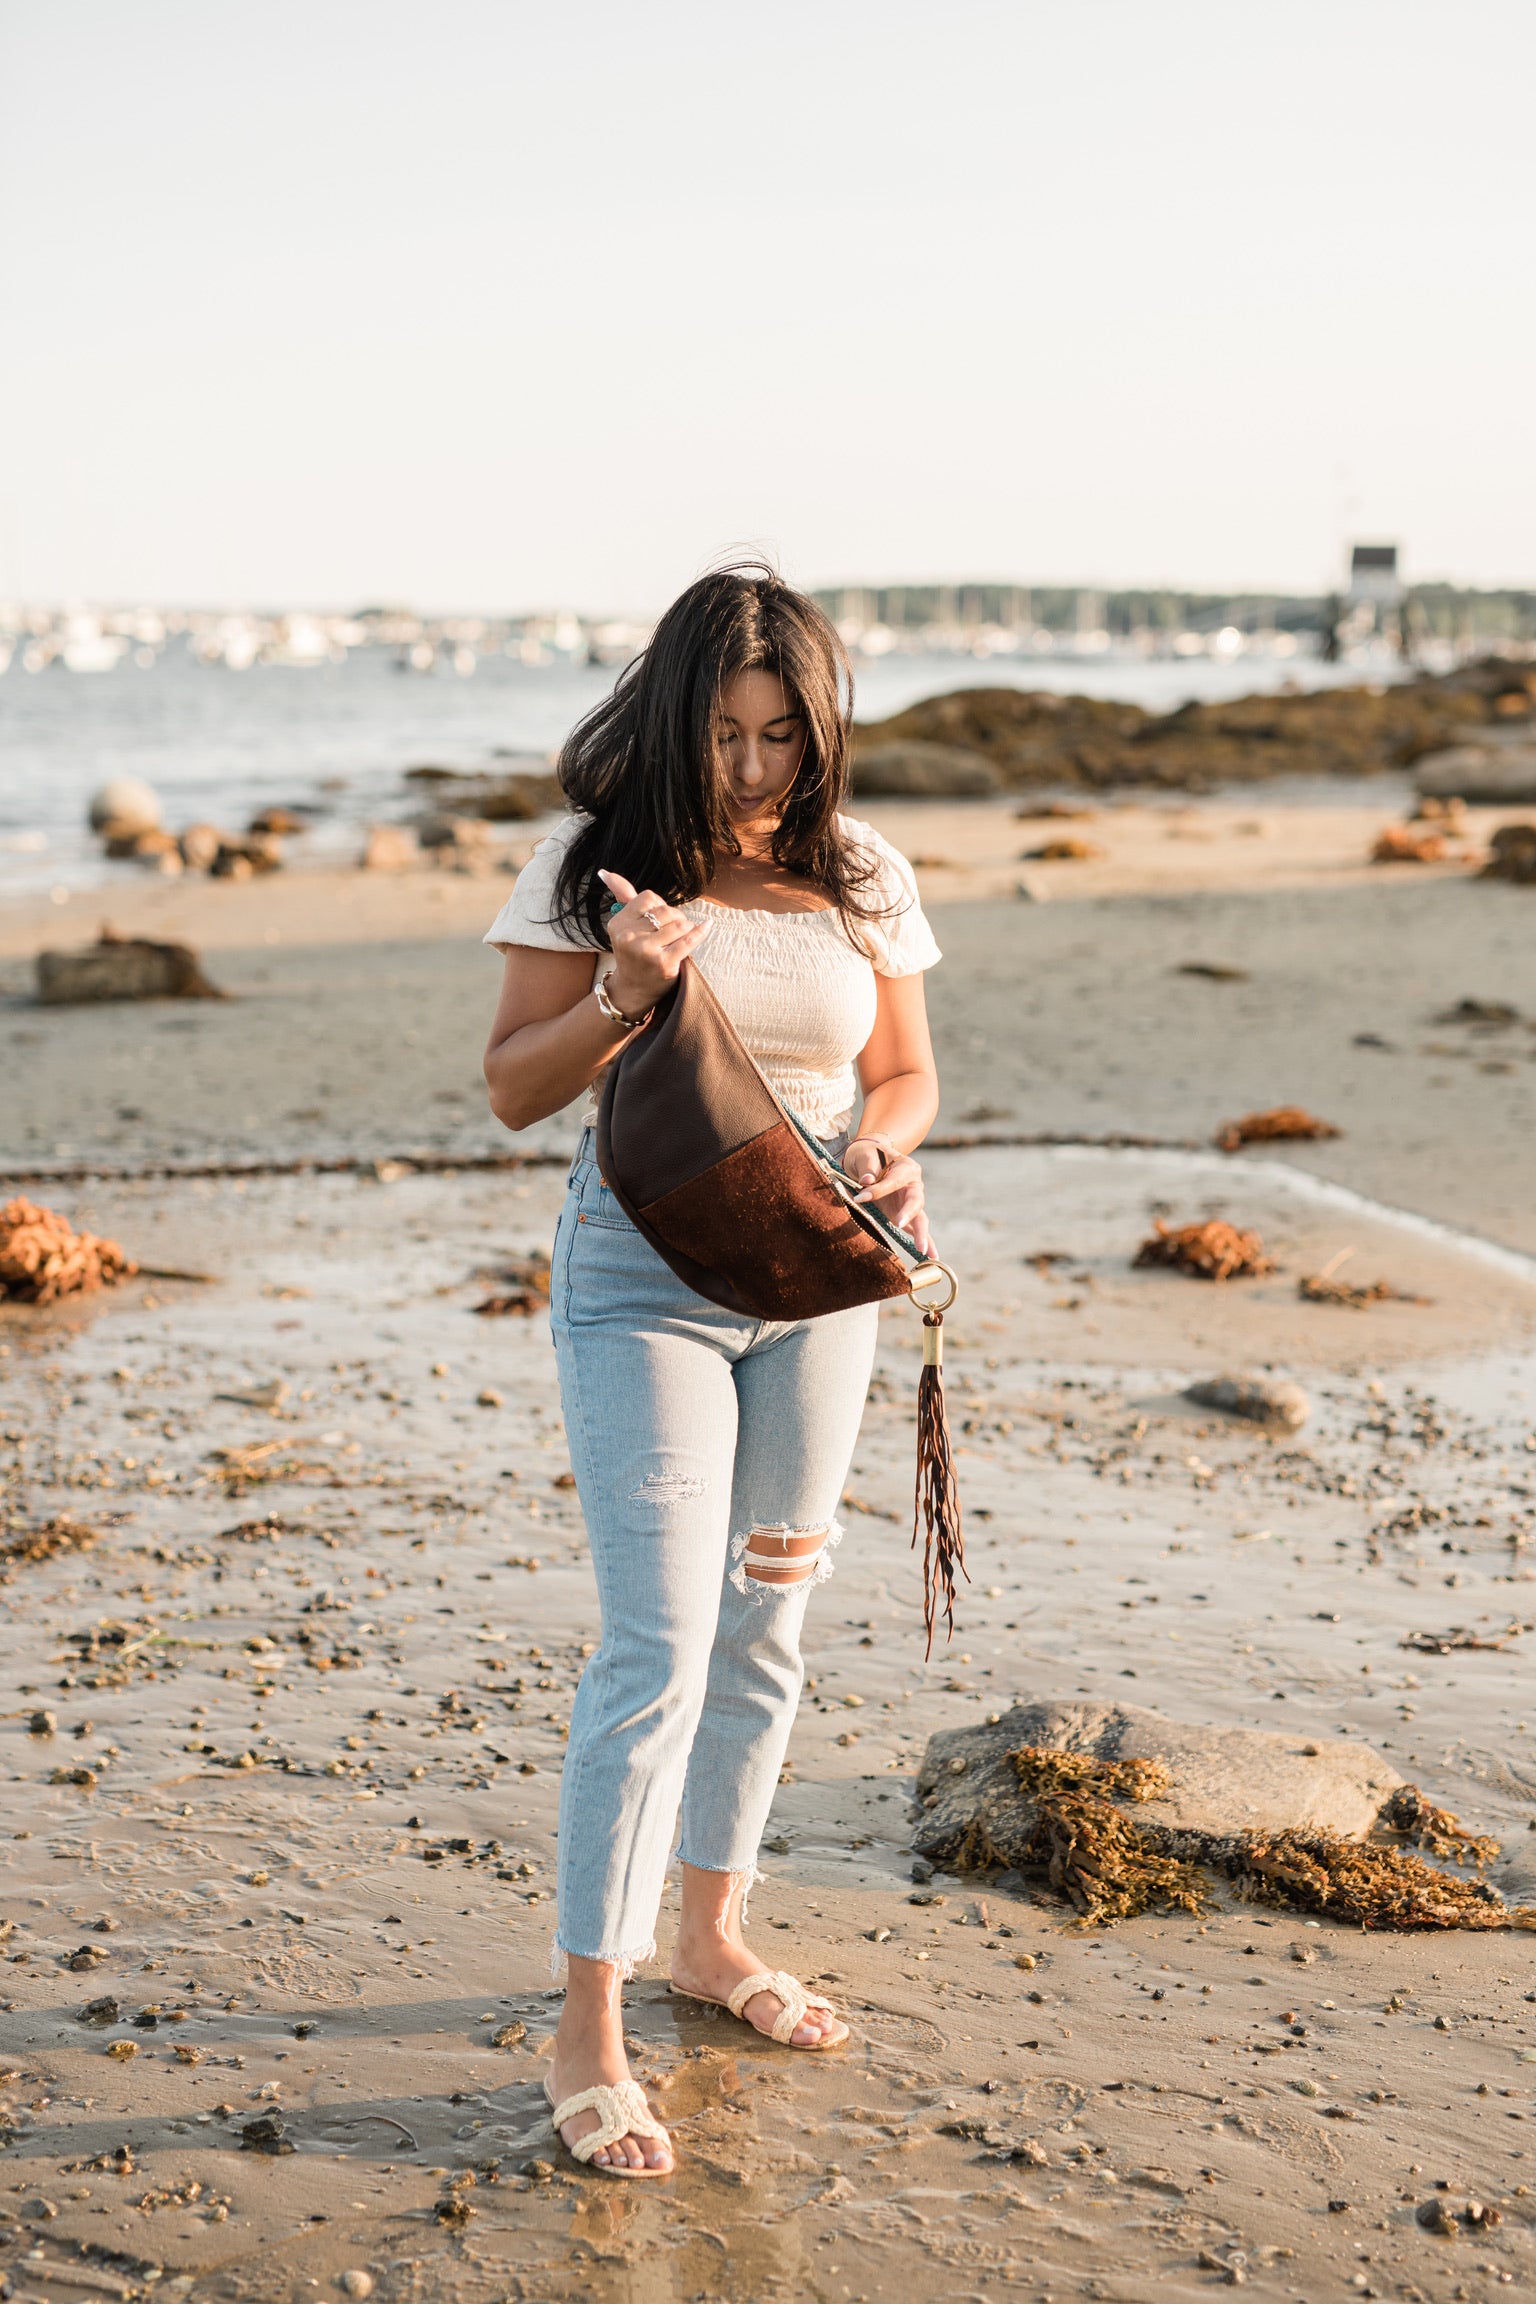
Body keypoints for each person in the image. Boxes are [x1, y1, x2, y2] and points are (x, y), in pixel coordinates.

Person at [482, 566, 941, 2177]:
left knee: (770, 1623)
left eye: (784, 740)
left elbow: (902, 1070)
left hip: (818, 1280)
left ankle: (713, 1939)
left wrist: (885, 1158)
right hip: (642, 1282)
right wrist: (625, 989)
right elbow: (510, 1090)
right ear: (678, 723)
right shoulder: (596, 866)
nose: (755, 774)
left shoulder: (864, 871)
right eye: (728, 737)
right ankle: (587, 2028)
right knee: (658, 1648)